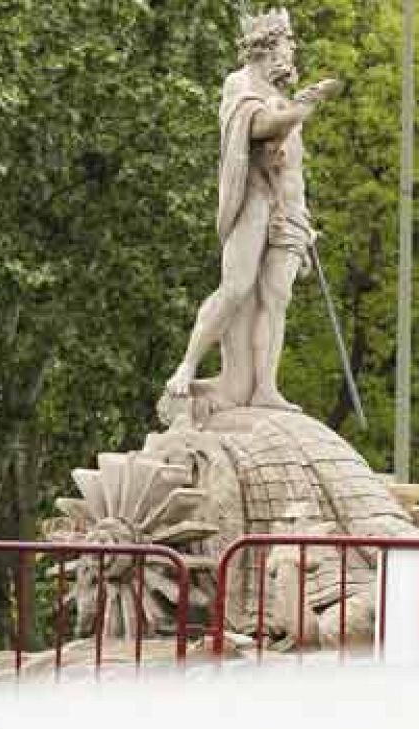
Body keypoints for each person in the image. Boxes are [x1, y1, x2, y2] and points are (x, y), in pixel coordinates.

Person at [161, 8, 340, 422]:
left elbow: (288, 158)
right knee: (237, 286)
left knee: (277, 297)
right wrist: (300, 108)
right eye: (288, 45)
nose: (292, 53)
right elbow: (258, 127)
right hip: (254, 200)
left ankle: (264, 387)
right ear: (267, 47)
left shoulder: (282, 94)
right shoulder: (240, 83)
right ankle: (187, 365)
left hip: (291, 209)